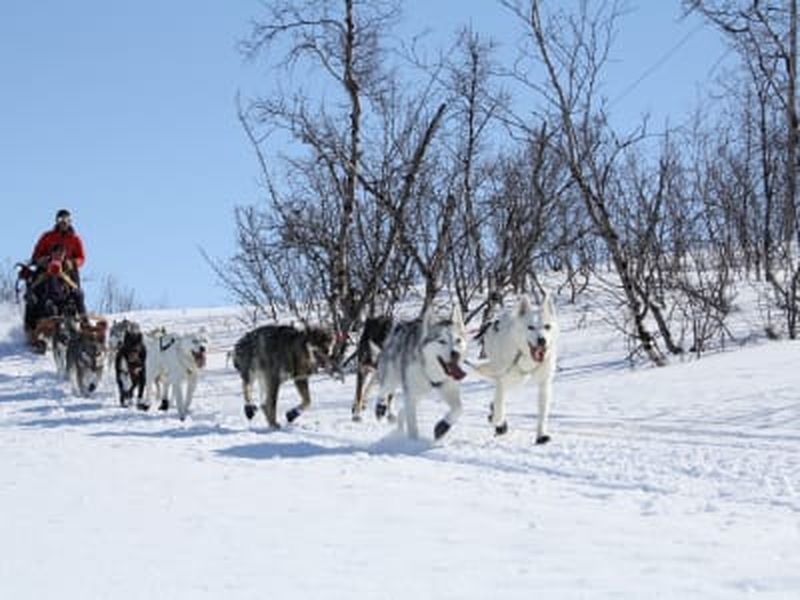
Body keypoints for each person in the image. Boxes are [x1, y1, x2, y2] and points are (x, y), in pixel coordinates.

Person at [29, 208, 87, 316]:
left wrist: (73, 263)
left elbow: (81, 257)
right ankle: (33, 319)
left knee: (77, 293)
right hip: (48, 267)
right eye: (61, 219)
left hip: (67, 269)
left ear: (70, 221)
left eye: (66, 219)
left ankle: (84, 319)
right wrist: (40, 260)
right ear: (56, 221)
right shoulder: (47, 237)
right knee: (34, 291)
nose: (63, 222)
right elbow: (36, 254)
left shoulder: (75, 239)